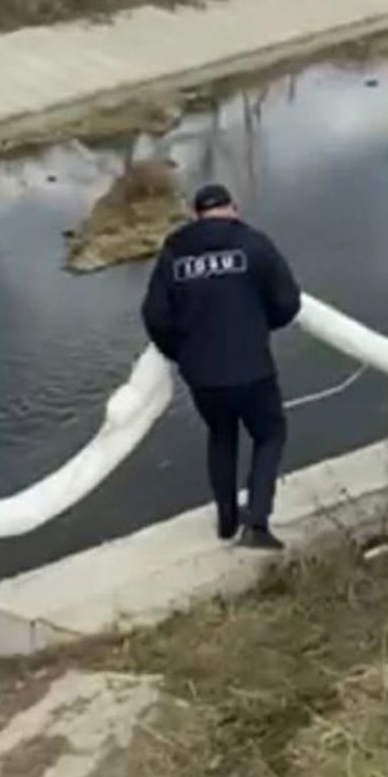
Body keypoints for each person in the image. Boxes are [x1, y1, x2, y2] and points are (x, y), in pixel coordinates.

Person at [141, 183, 302, 550]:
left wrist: (183, 352)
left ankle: (227, 521)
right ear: (233, 208)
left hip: (202, 375)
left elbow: (155, 316)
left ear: (196, 215)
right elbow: (288, 301)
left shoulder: (174, 252)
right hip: (252, 367)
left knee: (221, 436)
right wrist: (260, 326)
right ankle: (256, 522)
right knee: (270, 434)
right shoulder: (254, 244)